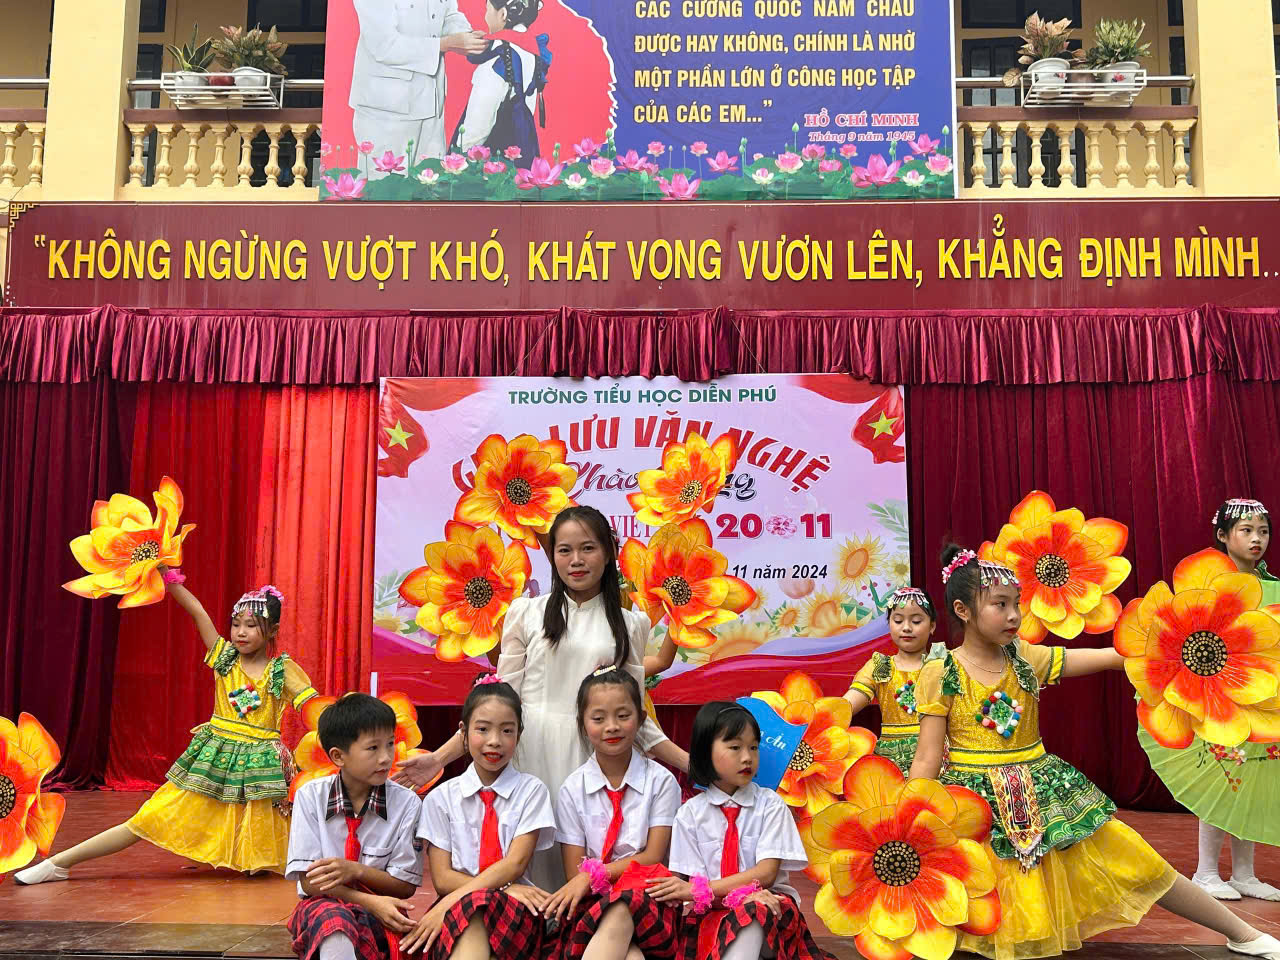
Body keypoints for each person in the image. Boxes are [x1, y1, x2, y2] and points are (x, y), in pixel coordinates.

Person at [908, 544, 1280, 960]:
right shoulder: (940, 672)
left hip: (1046, 795)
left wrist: (1166, 651)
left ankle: (1242, 932)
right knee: (983, 894)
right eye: (1000, 605)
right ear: (962, 610)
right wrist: (909, 820)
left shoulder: (1025, 657)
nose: (1014, 615)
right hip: (971, 806)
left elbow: (1106, 658)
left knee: (1139, 860)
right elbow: (927, 757)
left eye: (1017, 603)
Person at [395, 505, 689, 889]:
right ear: (553, 556)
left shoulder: (631, 624)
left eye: (588, 548)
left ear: (609, 553)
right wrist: (439, 758)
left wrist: (693, 764)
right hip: (531, 755)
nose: (576, 560)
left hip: (595, 759)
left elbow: (632, 715)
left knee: (585, 875)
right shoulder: (526, 613)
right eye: (564, 550)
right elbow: (500, 702)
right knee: (528, 873)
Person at [16, 572, 317, 883]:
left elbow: (313, 707)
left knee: (261, 851)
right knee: (148, 818)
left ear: (273, 631)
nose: (240, 632)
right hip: (215, 759)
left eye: (251, 626)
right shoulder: (224, 658)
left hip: (260, 769)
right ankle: (61, 862)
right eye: (236, 624)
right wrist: (168, 577)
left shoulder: (282, 671)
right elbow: (198, 612)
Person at [1139, 499, 1280, 901]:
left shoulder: (1273, 588)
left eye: (1263, 531)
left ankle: (1244, 873)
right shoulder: (1205, 585)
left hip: (1258, 697)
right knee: (1219, 780)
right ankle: (1205, 872)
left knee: (1252, 782)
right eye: (1246, 531)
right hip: (1209, 696)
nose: (1256, 539)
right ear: (1223, 535)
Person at [649, 702, 834, 960]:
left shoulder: (770, 805)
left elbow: (766, 873)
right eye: (735, 747)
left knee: (754, 909)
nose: (747, 757)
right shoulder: (689, 814)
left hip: (770, 909)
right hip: (712, 914)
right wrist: (699, 892)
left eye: (754, 747)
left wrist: (734, 894)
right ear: (705, 752)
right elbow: (693, 887)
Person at [403, 675, 555, 959]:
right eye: (482, 729)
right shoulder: (441, 798)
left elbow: (515, 863)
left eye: (507, 731)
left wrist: (455, 900)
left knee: (477, 906)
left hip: (516, 911)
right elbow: (442, 878)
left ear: (519, 734)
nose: (494, 741)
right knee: (475, 908)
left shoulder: (532, 791)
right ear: (463, 731)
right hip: (461, 906)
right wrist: (503, 890)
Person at [545, 667, 682, 960]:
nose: (612, 727)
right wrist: (589, 880)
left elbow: (653, 856)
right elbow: (574, 872)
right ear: (582, 724)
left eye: (623, 716)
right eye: (598, 719)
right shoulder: (573, 788)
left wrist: (595, 874)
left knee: (623, 904)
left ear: (641, 719)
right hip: (593, 899)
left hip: (651, 895)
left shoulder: (661, 782)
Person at [286, 694, 422, 960]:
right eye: (373, 748)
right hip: (323, 905)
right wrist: (368, 901)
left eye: (390, 744)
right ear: (338, 756)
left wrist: (356, 870)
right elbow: (310, 882)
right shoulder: (310, 796)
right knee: (334, 921)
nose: (386, 758)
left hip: (385, 909)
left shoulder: (407, 803)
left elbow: (405, 885)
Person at [349, 0, 488, 170]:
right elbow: (384, 45)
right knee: (385, 182)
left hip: (432, 103)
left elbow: (449, 14)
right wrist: (445, 44)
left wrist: (467, 36)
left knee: (430, 181)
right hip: (387, 111)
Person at [843, 585, 946, 773]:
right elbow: (845, 707)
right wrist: (820, 721)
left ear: (932, 626)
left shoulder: (944, 665)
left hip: (937, 757)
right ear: (889, 624)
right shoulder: (879, 666)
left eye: (916, 621)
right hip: (890, 761)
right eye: (898, 620)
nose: (906, 627)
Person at [451, 0, 551, 162]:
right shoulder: (533, 53)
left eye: (487, 9)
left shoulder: (496, 62)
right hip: (522, 158)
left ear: (503, 14)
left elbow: (475, 133)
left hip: (493, 165)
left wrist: (459, 158)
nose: (486, 16)